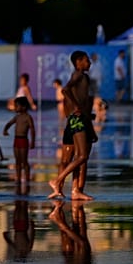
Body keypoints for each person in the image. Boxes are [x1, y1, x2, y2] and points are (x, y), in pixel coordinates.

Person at [48, 51, 97, 201]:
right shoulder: (78, 75)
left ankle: (74, 190)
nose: (89, 63)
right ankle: (58, 181)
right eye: (86, 60)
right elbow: (65, 90)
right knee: (81, 156)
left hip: (81, 119)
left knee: (75, 157)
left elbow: (84, 101)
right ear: (78, 62)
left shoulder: (85, 78)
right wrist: (76, 107)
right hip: (77, 119)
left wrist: (89, 118)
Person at [3, 96, 36, 192]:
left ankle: (27, 177)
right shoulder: (17, 117)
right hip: (16, 140)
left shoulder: (28, 117)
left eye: (17, 106)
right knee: (17, 161)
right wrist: (5, 129)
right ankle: (18, 178)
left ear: (24, 106)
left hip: (23, 140)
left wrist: (33, 141)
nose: (15, 108)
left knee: (24, 161)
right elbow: (9, 123)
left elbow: (32, 129)